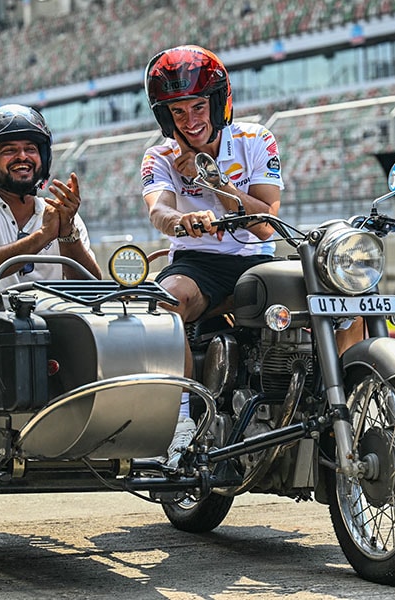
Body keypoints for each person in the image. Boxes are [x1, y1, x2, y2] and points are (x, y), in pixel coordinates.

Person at [141, 45, 283, 467]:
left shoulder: (257, 139)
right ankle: (181, 420)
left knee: (336, 299)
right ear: (166, 117)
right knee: (165, 303)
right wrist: (182, 222)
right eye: (179, 112)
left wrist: (211, 180)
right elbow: (159, 211)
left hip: (258, 258)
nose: (191, 120)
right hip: (197, 261)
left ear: (218, 103)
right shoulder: (158, 155)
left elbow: (264, 224)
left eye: (198, 106)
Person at [0, 103, 101, 372]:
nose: (23, 156)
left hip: (49, 343)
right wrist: (41, 237)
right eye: (9, 150)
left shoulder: (60, 215)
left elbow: (94, 294)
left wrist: (67, 234)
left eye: (31, 148)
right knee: (17, 338)